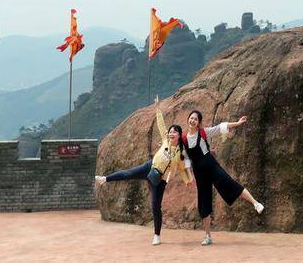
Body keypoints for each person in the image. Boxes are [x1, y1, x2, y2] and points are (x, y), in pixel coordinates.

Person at [95, 98, 193, 246]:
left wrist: (188, 181)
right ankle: (104, 179)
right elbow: (161, 124)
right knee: (128, 173)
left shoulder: (180, 154)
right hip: (149, 167)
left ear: (179, 135)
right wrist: (158, 107)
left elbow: (182, 169)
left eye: (174, 132)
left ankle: (157, 235)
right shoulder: (166, 140)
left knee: (155, 206)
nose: (171, 133)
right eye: (171, 131)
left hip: (159, 180)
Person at [183, 110, 264, 246]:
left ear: (198, 123)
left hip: (211, 166)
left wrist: (237, 123)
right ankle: (208, 236)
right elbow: (185, 159)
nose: (192, 121)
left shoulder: (203, 132)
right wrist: (189, 177)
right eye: (191, 118)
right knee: (203, 205)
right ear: (188, 120)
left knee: (230, 184)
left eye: (195, 119)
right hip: (199, 173)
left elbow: (221, 127)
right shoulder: (184, 139)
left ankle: (256, 203)